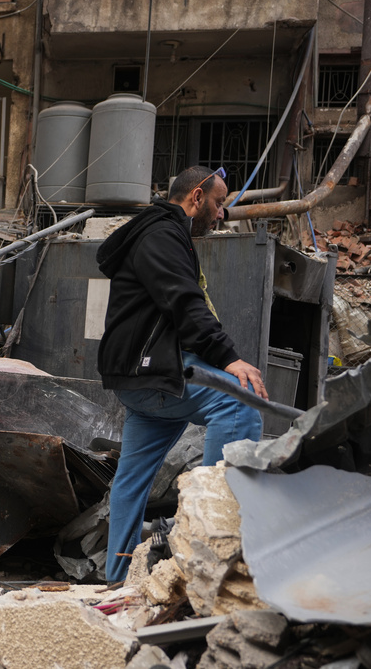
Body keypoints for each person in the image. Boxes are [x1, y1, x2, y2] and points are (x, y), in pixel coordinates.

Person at [96, 165, 267, 583]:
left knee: (132, 480)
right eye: (219, 202)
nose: (222, 213)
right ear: (195, 198)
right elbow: (184, 301)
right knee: (238, 402)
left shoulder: (158, 234)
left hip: (140, 380)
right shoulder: (162, 235)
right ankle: (210, 548)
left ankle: (117, 578)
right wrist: (228, 359)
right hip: (151, 375)